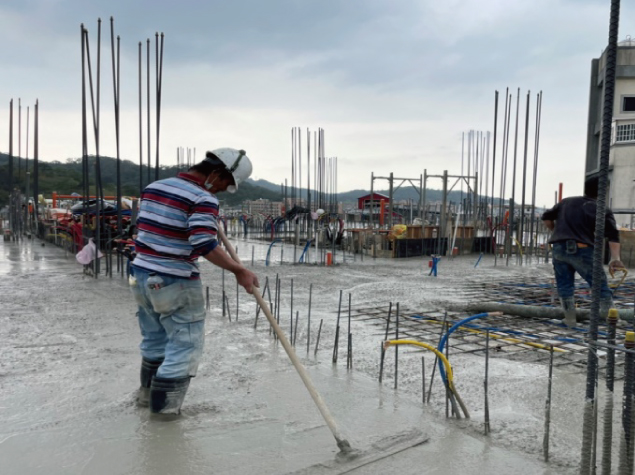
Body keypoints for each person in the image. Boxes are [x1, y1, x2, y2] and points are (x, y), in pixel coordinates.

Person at [129, 148, 259, 415]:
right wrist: (238, 270)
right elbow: (204, 245)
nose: (222, 190)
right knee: (184, 347)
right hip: (174, 280)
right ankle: (164, 420)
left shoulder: (154, 187)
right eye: (225, 183)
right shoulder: (203, 198)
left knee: (154, 341)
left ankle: (145, 402)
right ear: (216, 172)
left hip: (140, 274)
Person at [541, 193, 624, 327]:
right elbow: (613, 235)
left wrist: (556, 231)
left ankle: (570, 320)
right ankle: (612, 320)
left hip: (559, 248)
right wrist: (615, 258)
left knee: (564, 285)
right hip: (582, 249)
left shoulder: (566, 202)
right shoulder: (601, 208)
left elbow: (546, 217)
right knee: (599, 284)